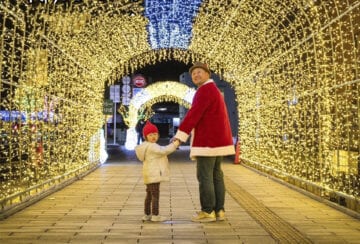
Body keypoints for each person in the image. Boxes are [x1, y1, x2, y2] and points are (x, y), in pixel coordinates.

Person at [173, 62, 235, 223]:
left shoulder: (204, 91)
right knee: (216, 175)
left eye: (199, 72)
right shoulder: (214, 90)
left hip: (207, 141)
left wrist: (180, 136)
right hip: (218, 140)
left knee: (205, 176)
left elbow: (194, 114)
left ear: (208, 74)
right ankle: (219, 210)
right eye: (193, 74)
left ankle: (208, 211)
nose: (196, 75)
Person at [135, 121, 180, 222]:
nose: (153, 137)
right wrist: (176, 143)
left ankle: (147, 214)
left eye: (155, 134)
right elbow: (164, 150)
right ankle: (155, 215)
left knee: (149, 195)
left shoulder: (146, 146)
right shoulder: (152, 146)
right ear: (146, 136)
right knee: (155, 195)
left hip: (148, 174)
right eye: (150, 135)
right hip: (154, 174)